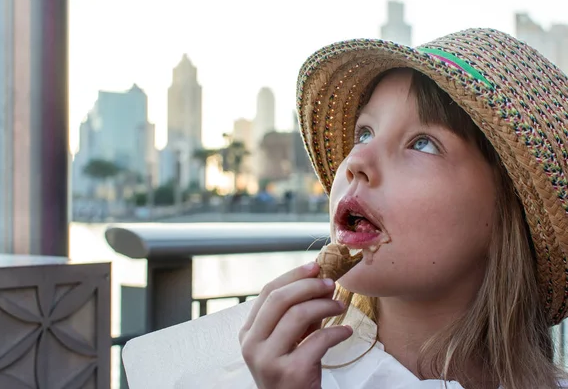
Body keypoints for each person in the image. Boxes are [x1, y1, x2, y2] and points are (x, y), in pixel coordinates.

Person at [236, 28, 568, 389]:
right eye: (364, 133)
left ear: (508, 212)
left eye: (422, 143)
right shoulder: (274, 374)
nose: (356, 160)